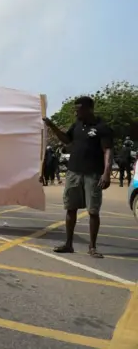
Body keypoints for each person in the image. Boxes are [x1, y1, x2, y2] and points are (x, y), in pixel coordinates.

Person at [43, 96, 112, 258]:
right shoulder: (77, 125)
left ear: (89, 109)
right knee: (70, 208)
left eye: (78, 108)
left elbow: (107, 150)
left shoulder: (102, 127)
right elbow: (67, 140)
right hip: (74, 172)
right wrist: (52, 125)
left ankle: (92, 247)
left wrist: (107, 173)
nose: (75, 112)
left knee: (93, 211)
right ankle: (68, 244)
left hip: (93, 174)